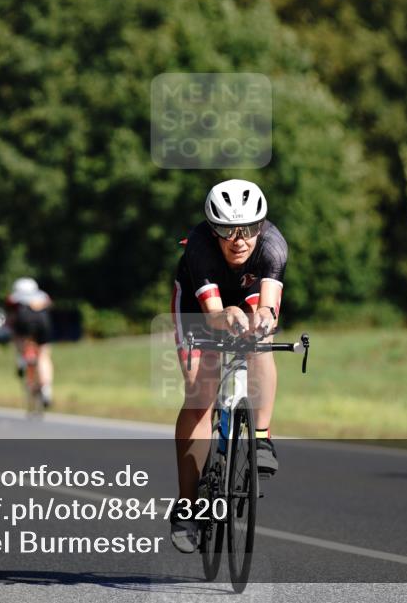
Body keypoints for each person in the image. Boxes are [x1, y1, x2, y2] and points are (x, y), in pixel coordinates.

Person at [169, 179, 287, 553]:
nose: (239, 240)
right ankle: (187, 505)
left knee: (261, 340)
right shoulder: (199, 246)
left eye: (248, 229)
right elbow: (214, 314)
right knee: (200, 395)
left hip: (247, 293)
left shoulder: (273, 246)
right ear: (212, 229)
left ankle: (261, 437)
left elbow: (268, 305)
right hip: (200, 304)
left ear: (260, 226)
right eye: (227, 230)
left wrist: (263, 319)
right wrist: (229, 315)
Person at [4, 277, 54, 408]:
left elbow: (10, 317)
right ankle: (47, 389)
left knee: (18, 339)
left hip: (23, 322)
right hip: (43, 323)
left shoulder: (14, 298)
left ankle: (21, 360)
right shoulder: (43, 296)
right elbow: (50, 306)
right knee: (44, 355)